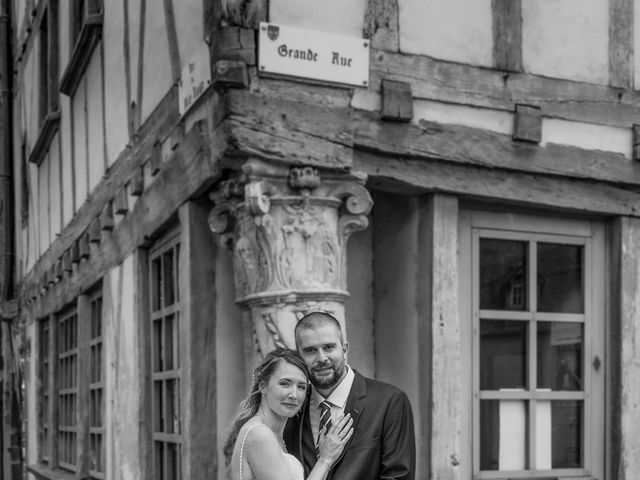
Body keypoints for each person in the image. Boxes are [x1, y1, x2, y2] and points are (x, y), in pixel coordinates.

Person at [284, 311, 416, 480]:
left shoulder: (390, 401)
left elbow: (398, 476)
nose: (322, 358)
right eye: (310, 350)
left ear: (344, 348)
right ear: (299, 356)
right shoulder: (293, 407)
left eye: (329, 347)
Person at [224, 348, 354, 480]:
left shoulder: (272, 434)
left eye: (301, 387)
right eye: (285, 384)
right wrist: (325, 461)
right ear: (262, 386)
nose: (294, 395)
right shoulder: (259, 434)